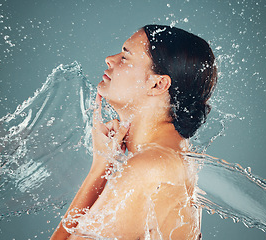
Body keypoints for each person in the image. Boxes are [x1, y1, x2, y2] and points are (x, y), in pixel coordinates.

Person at [50, 24, 217, 240]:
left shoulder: (149, 167)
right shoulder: (174, 157)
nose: (110, 59)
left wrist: (99, 168)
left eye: (125, 57)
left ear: (157, 84)